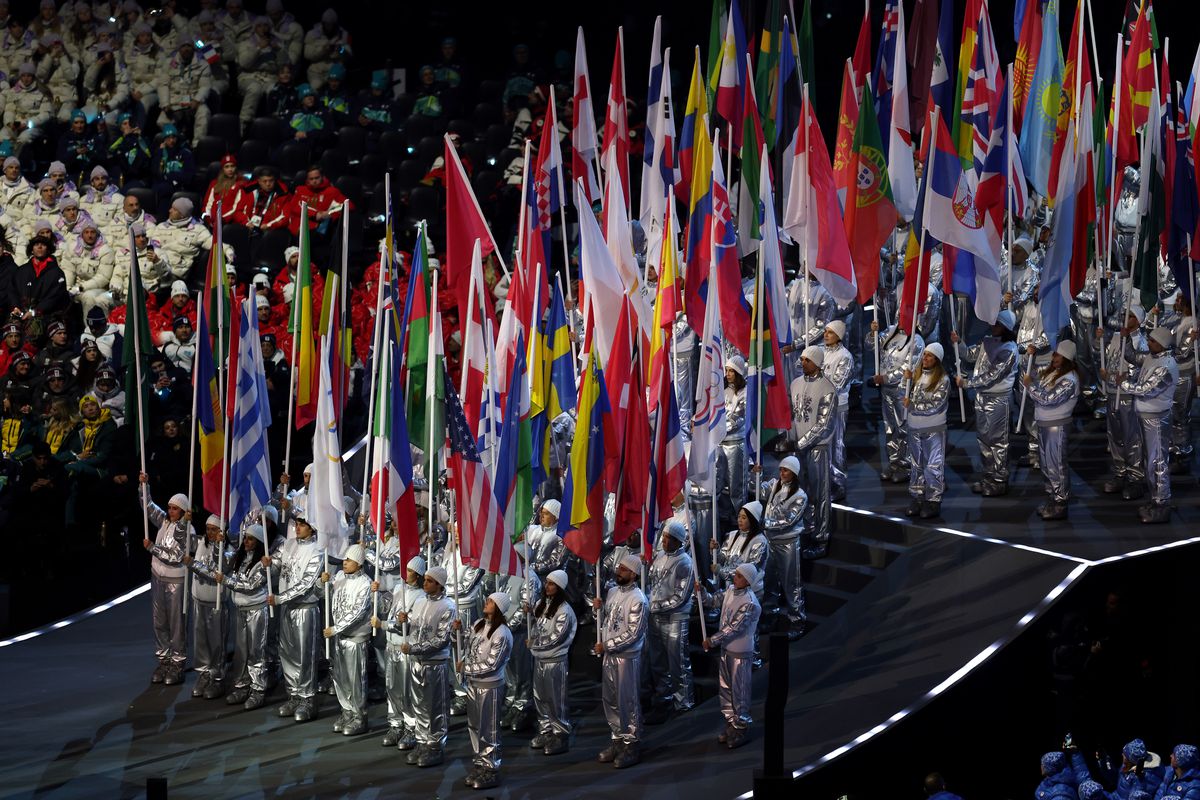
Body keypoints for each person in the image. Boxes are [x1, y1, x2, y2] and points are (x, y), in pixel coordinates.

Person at [952, 309, 1019, 496]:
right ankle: (988, 476)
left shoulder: (1010, 349)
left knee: (998, 442)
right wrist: (959, 343)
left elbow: (992, 375)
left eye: (997, 324)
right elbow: (970, 355)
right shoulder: (987, 341)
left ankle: (999, 480)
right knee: (984, 440)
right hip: (982, 397)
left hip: (999, 400)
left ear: (1006, 327)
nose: (992, 326)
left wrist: (967, 383)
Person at [592, 553, 648, 769]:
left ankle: (632, 743)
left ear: (633, 574)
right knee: (611, 698)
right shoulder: (613, 591)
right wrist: (599, 608)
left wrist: (608, 646)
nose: (618, 571)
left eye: (623, 569)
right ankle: (617, 739)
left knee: (628, 701)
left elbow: (633, 634)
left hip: (626, 658)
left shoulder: (639, 599)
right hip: (610, 656)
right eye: (618, 568)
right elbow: (608, 621)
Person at [697, 562, 762, 749]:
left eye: (740, 576)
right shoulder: (731, 590)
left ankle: (741, 726)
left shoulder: (750, 602)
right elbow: (712, 601)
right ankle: (730, 722)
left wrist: (712, 640)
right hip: (726, 650)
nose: (735, 577)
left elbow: (733, 628)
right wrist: (701, 592)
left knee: (739, 691)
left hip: (741, 653)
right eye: (737, 574)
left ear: (748, 581)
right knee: (725, 689)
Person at [1119, 326, 1179, 523]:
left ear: (1162, 344)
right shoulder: (1152, 358)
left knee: (1158, 462)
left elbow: (1147, 390)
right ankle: (1155, 500)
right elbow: (1132, 356)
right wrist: (1126, 338)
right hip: (1147, 418)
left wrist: (1122, 384)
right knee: (1150, 461)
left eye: (1153, 341)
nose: (1149, 344)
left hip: (1157, 420)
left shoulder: (1166, 365)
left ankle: (1162, 504)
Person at [399, 564, 456, 768]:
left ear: (439, 585)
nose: (425, 582)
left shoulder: (448, 606)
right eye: (426, 579)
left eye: (430, 581)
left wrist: (414, 648)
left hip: (435, 663)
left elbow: (441, 640)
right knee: (420, 706)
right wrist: (402, 621)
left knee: (436, 707)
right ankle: (422, 741)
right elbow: (414, 628)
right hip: (417, 662)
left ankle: (435, 746)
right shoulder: (420, 601)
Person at [138, 472, 192, 685]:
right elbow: (148, 506)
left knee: (176, 623)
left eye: (175, 508)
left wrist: (152, 548)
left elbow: (175, 557)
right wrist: (144, 486)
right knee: (159, 621)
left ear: (183, 511)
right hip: (158, 579)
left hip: (176, 583)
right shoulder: (163, 521)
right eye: (169, 507)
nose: (170, 511)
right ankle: (164, 660)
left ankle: (178, 663)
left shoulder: (187, 529)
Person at [270, 510, 324, 723]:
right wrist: (269, 563)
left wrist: (280, 598)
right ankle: (293, 694)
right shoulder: (289, 544)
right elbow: (276, 564)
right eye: (297, 523)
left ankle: (308, 699)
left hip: (304, 608)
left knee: (304, 655)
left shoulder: (317, 550)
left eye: (302, 524)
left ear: (312, 528)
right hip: (286, 608)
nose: (297, 527)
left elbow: (306, 585)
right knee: (287, 652)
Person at [456, 591, 514, 790]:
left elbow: (492, 665)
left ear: (498, 607)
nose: (486, 602)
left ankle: (491, 768)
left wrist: (466, 669)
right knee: (474, 726)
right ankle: (480, 763)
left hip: (490, 687)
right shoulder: (479, 624)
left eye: (490, 601)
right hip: (473, 685)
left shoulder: (503, 633)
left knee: (489, 730)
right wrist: (458, 631)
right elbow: (468, 646)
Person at [787, 346, 836, 557]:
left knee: (820, 494)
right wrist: (791, 439)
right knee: (803, 493)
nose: (802, 362)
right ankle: (806, 530)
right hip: (799, 449)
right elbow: (792, 415)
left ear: (816, 362)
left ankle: (822, 538)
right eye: (802, 359)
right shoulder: (795, 384)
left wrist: (802, 442)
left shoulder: (827, 388)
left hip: (818, 448)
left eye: (807, 360)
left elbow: (824, 424)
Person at [1023, 341, 1080, 521]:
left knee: (1057, 466)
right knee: (1047, 465)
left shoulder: (1069, 379)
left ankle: (1061, 502)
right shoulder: (1053, 374)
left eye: (1057, 355)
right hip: (1044, 425)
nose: (1053, 358)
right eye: (1054, 354)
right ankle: (1052, 498)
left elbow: (1048, 399)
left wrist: (1030, 386)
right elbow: (1031, 375)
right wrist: (1029, 355)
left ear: (1067, 358)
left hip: (1057, 427)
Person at [217, 523, 270, 710]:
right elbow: (222, 560)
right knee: (241, 652)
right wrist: (219, 544)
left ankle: (258, 690)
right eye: (245, 538)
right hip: (241, 611)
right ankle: (242, 686)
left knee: (256, 651)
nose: (246, 542)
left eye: (250, 539)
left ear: (259, 542)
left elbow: (250, 586)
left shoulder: (263, 563)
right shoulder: (241, 558)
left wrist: (226, 581)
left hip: (257, 610)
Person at [646, 520, 695, 719]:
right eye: (664, 537)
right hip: (655, 617)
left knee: (678, 662)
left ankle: (684, 701)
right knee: (658, 662)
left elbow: (680, 597)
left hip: (675, 618)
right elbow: (652, 585)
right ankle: (664, 698)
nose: (664, 541)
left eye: (669, 538)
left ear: (678, 540)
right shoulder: (658, 557)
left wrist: (654, 606)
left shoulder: (684, 562)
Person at [323, 543, 372, 736]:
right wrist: (323, 583)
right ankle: (347, 711)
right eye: (344, 559)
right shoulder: (340, 577)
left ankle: (360, 716)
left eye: (349, 560)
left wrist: (335, 629)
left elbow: (357, 613)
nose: (345, 562)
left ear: (359, 563)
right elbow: (324, 595)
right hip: (339, 637)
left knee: (355, 680)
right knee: (340, 677)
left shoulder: (365, 583)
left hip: (355, 638)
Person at [378, 555, 426, 750]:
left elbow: (407, 627)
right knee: (391, 688)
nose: (405, 573)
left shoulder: (422, 597)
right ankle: (395, 724)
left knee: (407, 692)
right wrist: (377, 594)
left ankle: (411, 727)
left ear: (418, 574)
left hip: (406, 650)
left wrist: (385, 625)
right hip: (391, 648)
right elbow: (383, 607)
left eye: (410, 571)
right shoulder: (399, 589)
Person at [528, 568, 576, 756]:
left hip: (555, 661)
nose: (547, 586)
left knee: (556, 699)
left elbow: (555, 638)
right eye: (547, 582)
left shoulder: (564, 610)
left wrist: (534, 643)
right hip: (540, 660)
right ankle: (545, 729)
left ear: (560, 587)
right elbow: (537, 627)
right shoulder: (541, 604)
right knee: (540, 697)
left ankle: (560, 733)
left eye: (551, 583)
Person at [758, 457, 808, 635]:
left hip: (788, 544)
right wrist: (755, 475)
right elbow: (756, 489)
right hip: (770, 541)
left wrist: (765, 524)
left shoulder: (800, 496)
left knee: (791, 583)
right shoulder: (774, 485)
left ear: (794, 473)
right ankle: (770, 614)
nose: (782, 473)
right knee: (769, 581)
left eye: (785, 471)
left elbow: (789, 521)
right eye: (780, 470)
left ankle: (797, 620)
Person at [183, 514, 229, 699]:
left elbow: (216, 572)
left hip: (216, 603)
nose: (210, 532)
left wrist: (193, 565)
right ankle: (203, 674)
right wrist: (184, 522)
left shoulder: (228, 550)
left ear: (221, 531)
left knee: (217, 642)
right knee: (200, 641)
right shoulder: (201, 543)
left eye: (214, 529)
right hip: (199, 600)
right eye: (208, 528)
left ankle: (217, 678)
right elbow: (184, 538)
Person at [904, 343, 950, 519]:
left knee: (933, 466)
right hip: (914, 428)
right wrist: (905, 380)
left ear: (937, 359)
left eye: (930, 356)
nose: (925, 358)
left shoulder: (943, 380)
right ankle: (917, 496)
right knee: (916, 465)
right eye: (924, 355)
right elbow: (905, 397)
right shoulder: (916, 376)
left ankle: (933, 499)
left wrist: (913, 406)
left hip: (933, 428)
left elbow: (935, 405)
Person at [822, 320, 853, 500]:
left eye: (830, 332)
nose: (826, 335)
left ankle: (838, 483)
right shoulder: (819, 352)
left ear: (839, 335)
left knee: (836, 446)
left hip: (837, 407)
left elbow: (838, 384)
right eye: (825, 331)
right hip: (820, 408)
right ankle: (824, 482)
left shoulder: (845, 356)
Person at [711, 500, 768, 595]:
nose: (739, 520)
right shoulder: (732, 535)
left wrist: (721, 572)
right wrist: (716, 551)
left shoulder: (759, 541)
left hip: (750, 592)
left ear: (752, 520)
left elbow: (749, 571)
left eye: (744, 517)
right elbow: (723, 560)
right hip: (731, 588)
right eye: (739, 516)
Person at [722, 356, 749, 512]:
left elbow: (737, 419)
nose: (728, 374)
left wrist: (716, 429)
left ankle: (738, 517)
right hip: (720, 443)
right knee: (722, 483)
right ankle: (727, 516)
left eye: (731, 370)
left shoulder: (744, 393)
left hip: (735, 444)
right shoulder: (722, 391)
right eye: (727, 370)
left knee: (736, 485)